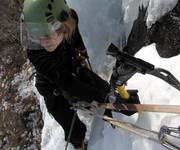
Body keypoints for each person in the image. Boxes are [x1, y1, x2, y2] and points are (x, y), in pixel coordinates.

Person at [21, 0, 139, 149]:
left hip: (72, 66)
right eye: (36, 36)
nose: (40, 41)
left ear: (61, 24)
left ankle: (120, 125)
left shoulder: (70, 20)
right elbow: (68, 83)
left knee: (106, 91)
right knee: (74, 130)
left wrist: (81, 52)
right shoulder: (37, 54)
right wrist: (100, 96)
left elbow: (76, 38)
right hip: (52, 88)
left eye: (45, 34)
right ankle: (79, 146)